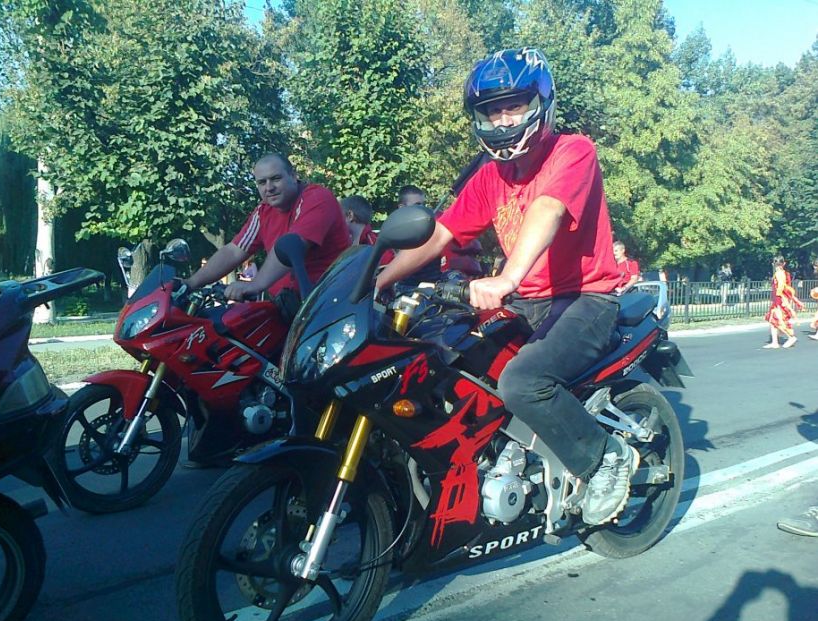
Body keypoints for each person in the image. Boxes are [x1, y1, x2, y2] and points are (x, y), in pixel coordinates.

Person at [377, 47, 636, 526]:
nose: (502, 120)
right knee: (447, 354)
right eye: (491, 111)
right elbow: (440, 233)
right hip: (527, 303)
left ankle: (605, 458)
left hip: (585, 299)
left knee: (523, 381)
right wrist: (377, 278)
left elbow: (547, 209)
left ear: (540, 104)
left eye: (513, 106)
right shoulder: (490, 175)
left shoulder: (573, 151)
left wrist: (506, 278)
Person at [185, 153, 350, 299]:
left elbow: (291, 246)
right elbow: (235, 250)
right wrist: (190, 284)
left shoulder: (317, 198)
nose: (269, 188)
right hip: (288, 305)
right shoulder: (263, 211)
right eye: (262, 182)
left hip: (327, 303)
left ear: (293, 176)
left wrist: (255, 284)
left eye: (276, 179)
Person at [397, 185, 444, 287]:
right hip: (407, 288)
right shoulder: (397, 232)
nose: (422, 208)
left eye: (423, 204)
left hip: (433, 286)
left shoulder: (431, 228)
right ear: (402, 208)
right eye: (417, 204)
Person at [763, 255, 803, 349]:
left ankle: (791, 337)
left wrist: (779, 297)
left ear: (773, 264)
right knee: (773, 321)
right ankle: (775, 342)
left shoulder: (779, 273)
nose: (777, 266)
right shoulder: (784, 273)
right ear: (783, 263)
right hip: (779, 300)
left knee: (778, 320)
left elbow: (781, 286)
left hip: (779, 300)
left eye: (777, 265)